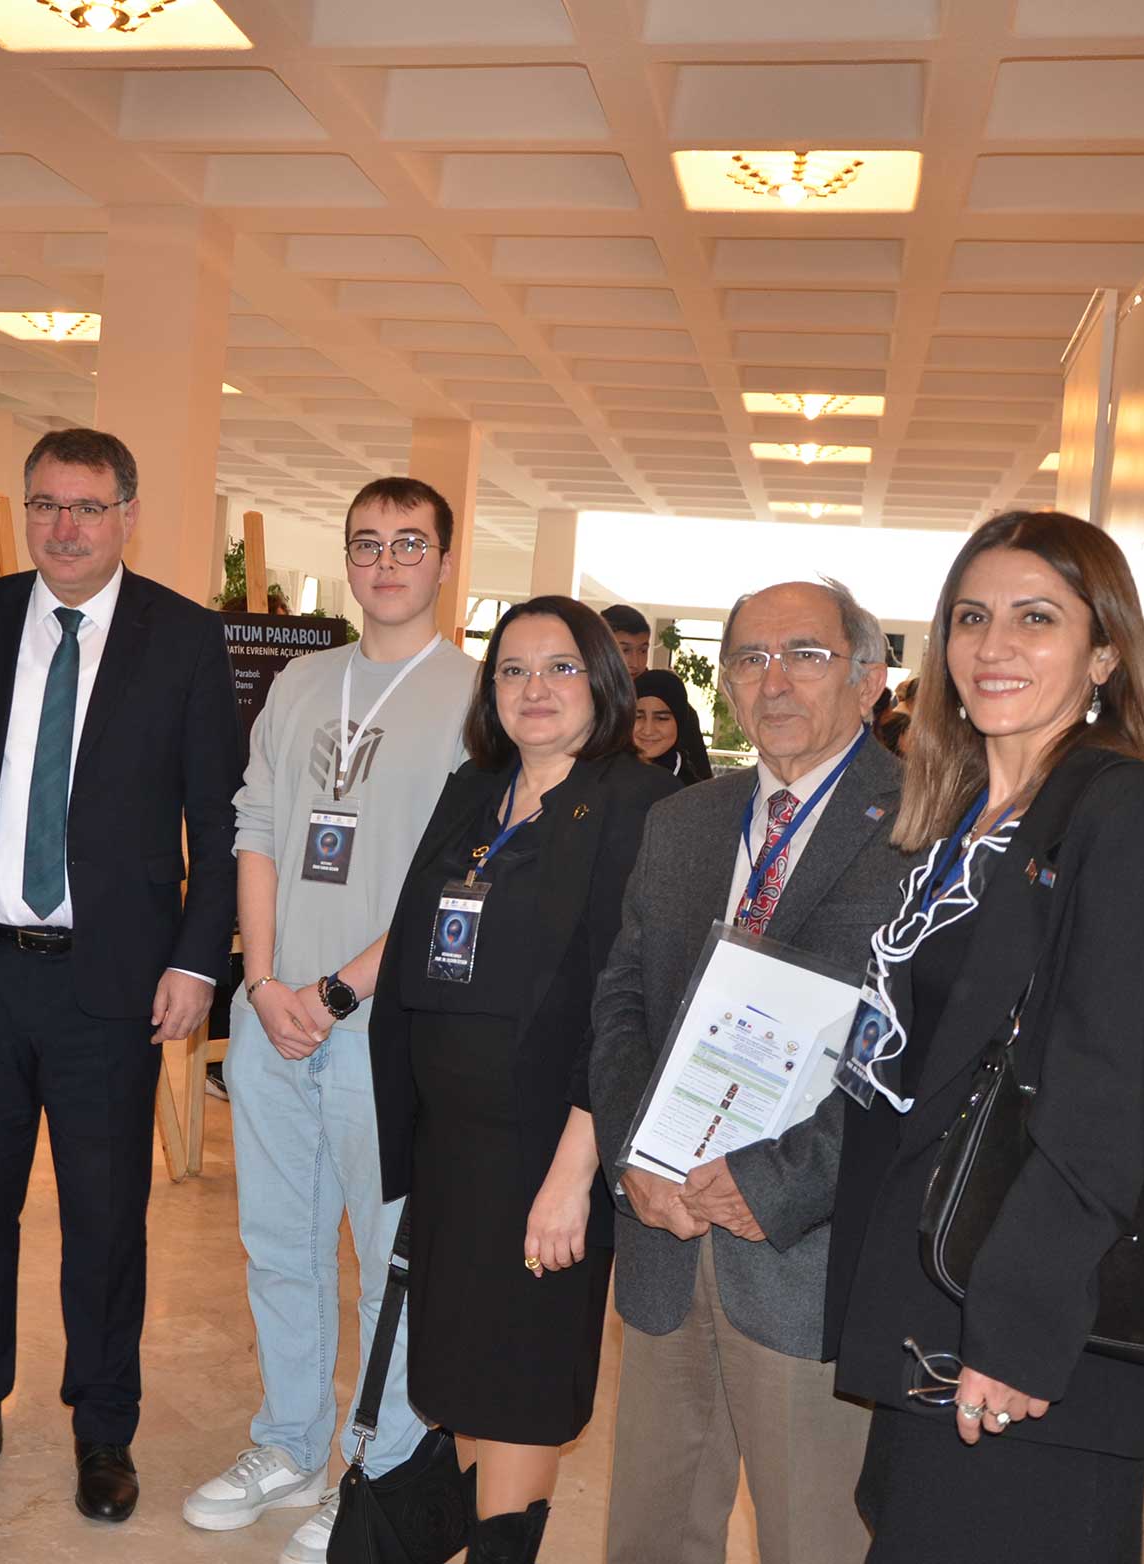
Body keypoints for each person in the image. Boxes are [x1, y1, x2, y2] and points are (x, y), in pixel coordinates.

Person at [825, 512, 1144, 1562]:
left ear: (1104, 653)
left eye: (1035, 619)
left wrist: (1016, 1331)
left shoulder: (1134, 816)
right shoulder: (965, 814)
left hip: (1026, 1331)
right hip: (933, 1290)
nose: (993, 646)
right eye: (971, 617)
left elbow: (1105, 1096)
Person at [0, 427, 240, 1525]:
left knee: (105, 1219)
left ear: (127, 514)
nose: (65, 528)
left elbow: (218, 820)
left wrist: (197, 959)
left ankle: (104, 1428)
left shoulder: (183, 637)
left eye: (87, 507)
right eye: (45, 505)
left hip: (113, 983)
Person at [590, 578, 909, 1564]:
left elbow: (915, 1055)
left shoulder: (927, 829)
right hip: (665, 1231)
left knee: (815, 1536)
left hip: (806, 1248)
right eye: (749, 659)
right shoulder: (686, 820)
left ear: (868, 678)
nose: (774, 681)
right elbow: (621, 1002)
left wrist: (776, 1184)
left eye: (805, 654)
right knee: (651, 1531)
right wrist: (632, 1159)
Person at [187, 477, 476, 1562]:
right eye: (366, 543)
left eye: (409, 543)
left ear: (443, 559)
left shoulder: (476, 696)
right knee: (279, 1247)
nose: (385, 562)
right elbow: (256, 828)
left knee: (388, 1259)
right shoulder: (302, 682)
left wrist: (340, 990)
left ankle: (378, 1466)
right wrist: (263, 981)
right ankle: (290, 1442)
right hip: (274, 1015)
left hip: (385, 1025)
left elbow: (457, 880)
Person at [366, 596, 677, 1563]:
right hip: (452, 1146)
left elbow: (626, 1006)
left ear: (603, 682)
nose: (533, 688)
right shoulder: (476, 789)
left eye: (559, 667)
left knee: (522, 1380)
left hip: (547, 1146)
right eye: (511, 669)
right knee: (463, 1371)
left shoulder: (635, 805)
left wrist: (572, 1176)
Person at [631, 668, 713, 785]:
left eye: (661, 718)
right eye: (638, 717)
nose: (648, 730)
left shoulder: (693, 790)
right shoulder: (608, 778)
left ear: (680, 722)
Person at [602, 603, 652, 682]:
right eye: (625, 650)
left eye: (643, 651)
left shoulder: (656, 686)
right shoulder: (585, 685)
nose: (635, 664)